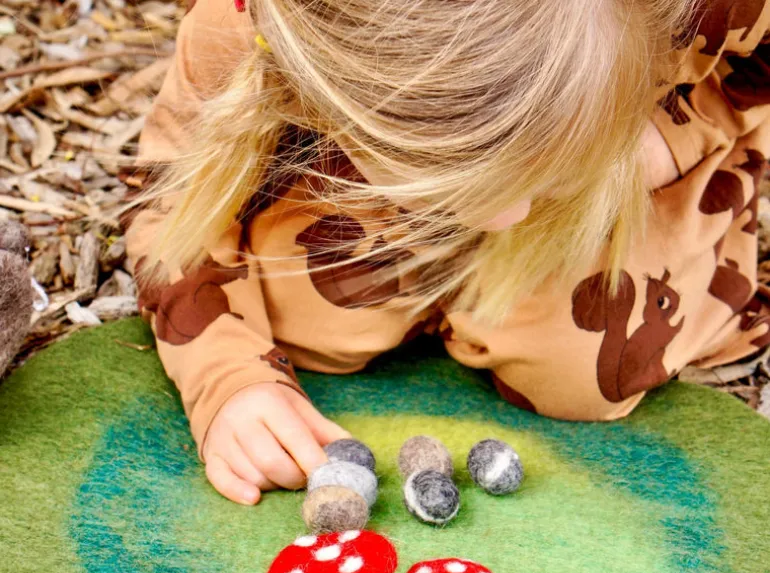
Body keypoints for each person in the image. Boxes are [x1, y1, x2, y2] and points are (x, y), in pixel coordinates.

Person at [122, 0, 770, 505]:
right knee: (312, 322)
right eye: (466, 185)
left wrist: (665, 138)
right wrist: (227, 376)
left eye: (531, 187)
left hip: (629, 148)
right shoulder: (244, 32)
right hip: (350, 163)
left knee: (589, 369)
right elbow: (169, 201)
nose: (512, 220)